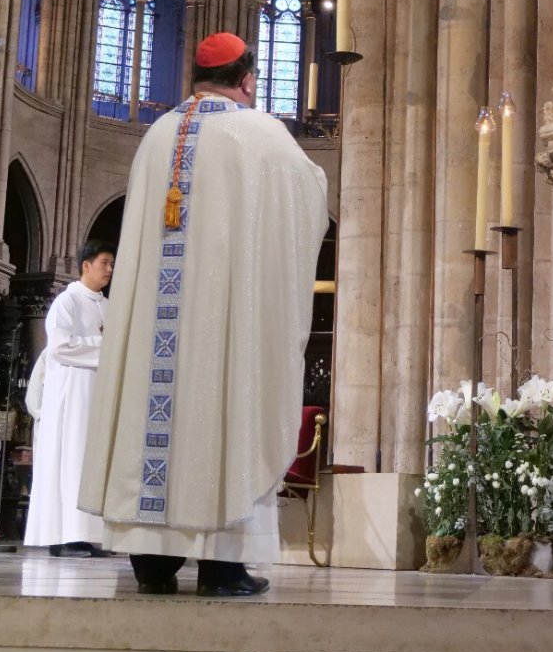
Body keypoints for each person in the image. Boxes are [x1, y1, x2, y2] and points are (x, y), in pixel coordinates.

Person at [79, 33, 328, 597]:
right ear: (247, 80)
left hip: (155, 330)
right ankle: (220, 565)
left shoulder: (157, 134)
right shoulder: (259, 132)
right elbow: (310, 193)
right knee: (221, 406)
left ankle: (150, 559)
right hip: (222, 322)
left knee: (152, 403)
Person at [24, 241, 115, 557]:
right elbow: (60, 347)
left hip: (94, 399)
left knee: (89, 464)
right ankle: (63, 537)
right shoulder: (67, 301)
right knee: (69, 462)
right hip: (70, 399)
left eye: (111, 263)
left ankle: (87, 534)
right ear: (85, 265)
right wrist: (103, 345)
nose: (109, 269)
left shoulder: (106, 305)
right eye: (104, 262)